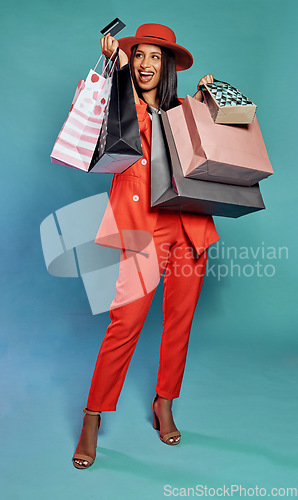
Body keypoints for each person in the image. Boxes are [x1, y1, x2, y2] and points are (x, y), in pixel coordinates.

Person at [72, 23, 219, 469]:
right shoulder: (120, 105)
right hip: (142, 231)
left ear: (167, 64)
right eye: (139, 56)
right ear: (130, 61)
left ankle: (164, 402)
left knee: (179, 324)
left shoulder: (184, 110)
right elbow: (96, 112)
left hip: (191, 230)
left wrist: (213, 100)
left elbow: (224, 142)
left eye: (156, 57)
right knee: (125, 325)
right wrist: (112, 68)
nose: (147, 64)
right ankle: (93, 416)